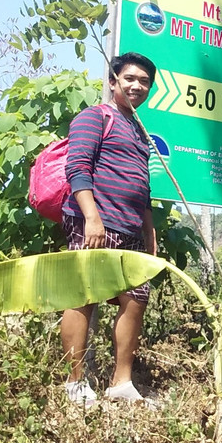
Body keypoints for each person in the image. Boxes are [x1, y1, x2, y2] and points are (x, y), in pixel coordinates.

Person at [60, 52, 157, 407]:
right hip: (97, 224)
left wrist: (149, 232)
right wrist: (92, 218)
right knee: (83, 297)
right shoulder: (94, 117)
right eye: (130, 78)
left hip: (132, 230)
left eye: (144, 81)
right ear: (113, 81)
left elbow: (143, 187)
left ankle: (121, 384)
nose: (137, 85)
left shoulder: (140, 131)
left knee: (135, 302)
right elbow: (78, 168)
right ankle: (74, 384)